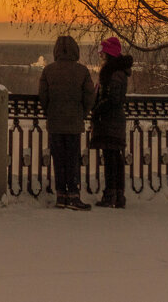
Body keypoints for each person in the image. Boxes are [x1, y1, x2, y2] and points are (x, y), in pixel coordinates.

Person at [38, 34, 95, 210]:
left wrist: (50, 112)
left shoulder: (48, 70)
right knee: (72, 159)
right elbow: (89, 96)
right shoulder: (82, 71)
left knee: (59, 160)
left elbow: (43, 96)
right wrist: (82, 113)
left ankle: (61, 195)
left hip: (55, 122)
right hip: (73, 122)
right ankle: (74, 195)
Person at [89, 36, 133, 208]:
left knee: (111, 159)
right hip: (113, 120)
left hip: (110, 120)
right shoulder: (118, 72)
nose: (101, 57)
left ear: (109, 54)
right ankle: (117, 195)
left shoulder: (113, 73)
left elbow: (112, 99)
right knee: (114, 158)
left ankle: (111, 195)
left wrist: (97, 109)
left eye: (103, 53)